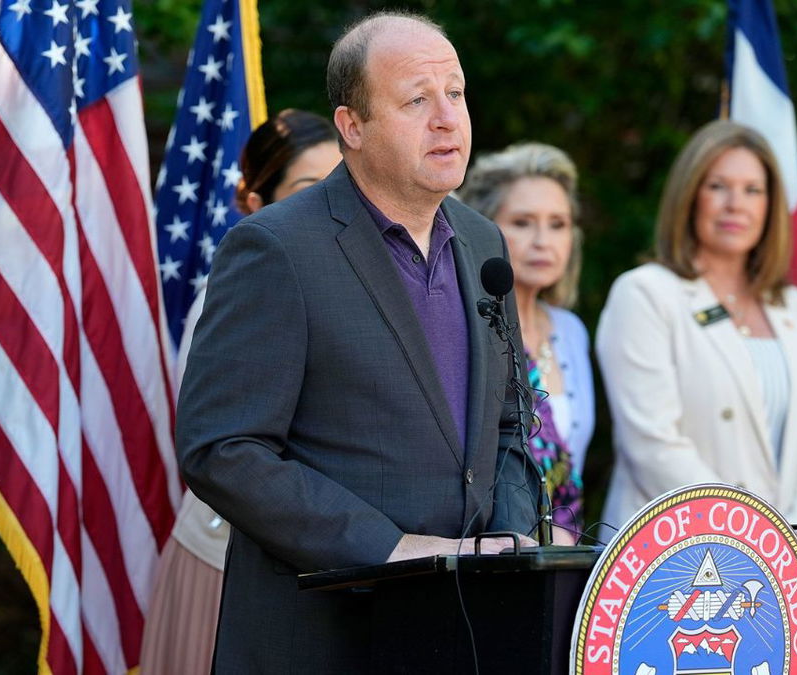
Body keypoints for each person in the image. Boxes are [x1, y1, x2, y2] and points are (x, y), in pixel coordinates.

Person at [175, 11, 539, 673]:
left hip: (466, 630)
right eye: (416, 100)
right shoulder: (276, 248)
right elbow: (221, 448)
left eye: (454, 94)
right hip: (323, 636)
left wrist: (512, 535)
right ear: (353, 126)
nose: (447, 118)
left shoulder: (484, 244)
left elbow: (510, 424)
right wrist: (388, 544)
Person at [139, 108, 341, 674]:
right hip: (229, 569)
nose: (330, 207)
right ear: (255, 202)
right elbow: (228, 451)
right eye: (307, 189)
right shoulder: (240, 290)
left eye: (341, 187)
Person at [594, 120, 797, 544]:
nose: (735, 204)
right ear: (690, 196)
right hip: (669, 561)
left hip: (781, 566)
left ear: (771, 205)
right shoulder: (646, 294)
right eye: (718, 186)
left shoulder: (792, 307)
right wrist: (751, 534)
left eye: (752, 190)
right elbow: (653, 445)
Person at [458, 142, 594, 543]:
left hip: (571, 543)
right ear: (484, 227)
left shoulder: (571, 331)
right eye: (522, 222)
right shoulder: (473, 326)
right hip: (498, 545)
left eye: (558, 224)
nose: (542, 240)